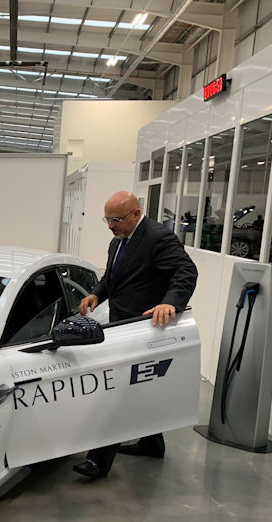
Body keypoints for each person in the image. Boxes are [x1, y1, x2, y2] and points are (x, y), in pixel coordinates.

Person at [73, 191, 198, 479]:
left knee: (118, 391)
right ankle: (152, 442)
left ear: (135, 213)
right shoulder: (118, 240)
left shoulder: (158, 237)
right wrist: (96, 294)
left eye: (115, 219)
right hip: (122, 325)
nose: (110, 226)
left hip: (144, 329)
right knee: (139, 387)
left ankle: (98, 461)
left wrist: (171, 302)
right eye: (107, 219)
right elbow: (112, 277)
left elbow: (185, 271)